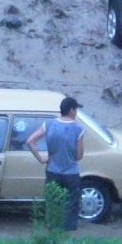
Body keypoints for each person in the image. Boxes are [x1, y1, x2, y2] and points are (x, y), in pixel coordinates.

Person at [27, 96, 85, 232]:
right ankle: (66, 240)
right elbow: (79, 156)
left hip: (52, 172)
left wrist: (41, 159)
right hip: (71, 174)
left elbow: (30, 141)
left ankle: (52, 237)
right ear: (71, 110)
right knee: (70, 208)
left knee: (53, 205)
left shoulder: (49, 124)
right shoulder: (78, 130)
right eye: (76, 109)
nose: (76, 112)